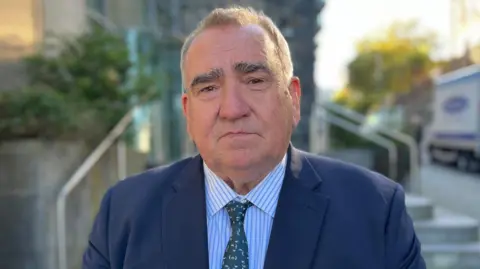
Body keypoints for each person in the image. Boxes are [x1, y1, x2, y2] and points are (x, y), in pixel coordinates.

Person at [83, 6, 426, 269]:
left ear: (292, 98)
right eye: (209, 87)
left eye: (255, 81)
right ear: (187, 113)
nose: (232, 108)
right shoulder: (123, 214)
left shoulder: (375, 210)